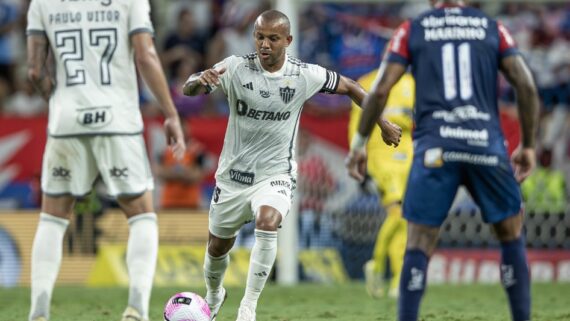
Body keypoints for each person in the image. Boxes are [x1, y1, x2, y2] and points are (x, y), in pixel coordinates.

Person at [183, 9, 401, 321]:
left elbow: (352, 86)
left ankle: (248, 307)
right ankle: (215, 294)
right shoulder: (234, 67)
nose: (264, 44)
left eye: (272, 38)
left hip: (276, 174)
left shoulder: (303, 74)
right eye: (260, 37)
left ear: (288, 40)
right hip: (232, 178)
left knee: (268, 222)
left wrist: (381, 122)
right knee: (217, 247)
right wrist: (197, 80)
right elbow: (190, 89)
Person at [346, 1, 539, 321]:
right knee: (510, 232)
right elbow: (527, 85)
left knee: (419, 239)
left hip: (436, 148)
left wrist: (358, 145)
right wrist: (529, 145)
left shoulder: (412, 29)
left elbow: (379, 90)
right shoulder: (493, 28)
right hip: (485, 144)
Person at [26, 1, 185, 321]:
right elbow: (145, 55)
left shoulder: (41, 2)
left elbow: (34, 71)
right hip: (118, 121)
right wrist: (170, 113)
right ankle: (136, 310)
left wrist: (58, 102)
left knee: (53, 217)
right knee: (141, 214)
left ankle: (39, 312)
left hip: (66, 122)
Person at [348, 70, 415, 299]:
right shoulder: (366, 82)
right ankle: (376, 265)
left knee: (403, 218)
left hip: (407, 154)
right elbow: (357, 123)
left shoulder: (411, 83)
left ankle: (398, 281)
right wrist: (357, 152)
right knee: (397, 212)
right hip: (380, 155)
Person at [155, 119, 213, 209]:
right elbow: (159, 173)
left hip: (191, 204)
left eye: (183, 127)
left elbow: (198, 176)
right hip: (168, 203)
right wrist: (184, 173)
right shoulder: (165, 150)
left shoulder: (197, 150)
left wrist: (172, 173)